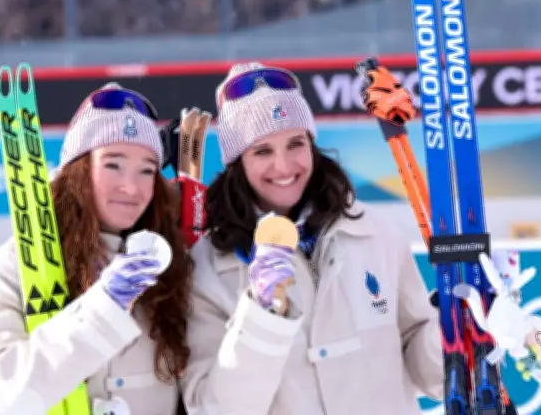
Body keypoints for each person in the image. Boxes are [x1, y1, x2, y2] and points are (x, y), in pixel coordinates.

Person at [181, 62, 444, 414]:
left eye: (295, 143)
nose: (284, 166)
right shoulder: (209, 268)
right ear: (238, 162)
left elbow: (430, 375)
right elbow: (215, 409)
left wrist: (457, 326)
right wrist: (261, 316)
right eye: (262, 151)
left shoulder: (374, 233)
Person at [0, 83, 193, 415]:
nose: (131, 187)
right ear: (78, 169)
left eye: (146, 171)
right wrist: (102, 310)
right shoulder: (13, 270)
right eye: (113, 165)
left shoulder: (172, 268)